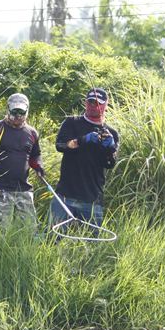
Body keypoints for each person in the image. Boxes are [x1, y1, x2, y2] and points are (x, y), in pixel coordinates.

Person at [49, 87, 119, 235]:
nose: (94, 106)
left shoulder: (111, 133)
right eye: (91, 102)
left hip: (93, 198)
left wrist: (110, 149)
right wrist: (82, 140)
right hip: (65, 195)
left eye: (98, 103)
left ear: (106, 105)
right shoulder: (71, 123)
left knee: (91, 244)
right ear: (85, 103)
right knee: (53, 238)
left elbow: (110, 164)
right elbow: (60, 146)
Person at [0, 93, 45, 228]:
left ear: (27, 111)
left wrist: (38, 166)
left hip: (23, 189)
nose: (18, 116)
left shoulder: (32, 132)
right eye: (15, 111)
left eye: (21, 112)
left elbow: (35, 155)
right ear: (8, 109)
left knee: (30, 230)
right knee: (0, 230)